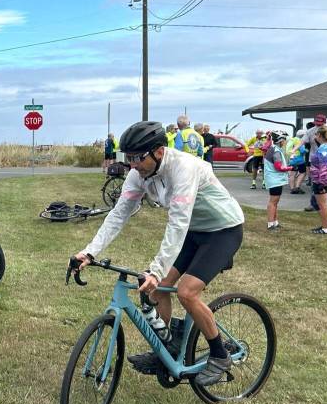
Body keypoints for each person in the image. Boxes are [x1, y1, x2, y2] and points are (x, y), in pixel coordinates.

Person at [71, 121, 245, 387]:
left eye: (137, 158)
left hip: (223, 231)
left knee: (187, 292)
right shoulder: (138, 174)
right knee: (159, 289)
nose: (132, 165)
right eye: (128, 158)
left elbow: (178, 223)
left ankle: (220, 355)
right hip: (194, 231)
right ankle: (167, 350)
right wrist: (89, 252)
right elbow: (119, 214)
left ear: (159, 151)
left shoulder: (183, 168)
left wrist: (156, 269)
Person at [309, 125, 327, 234]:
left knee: (322, 205)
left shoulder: (323, 149)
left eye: (316, 134)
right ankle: (326, 225)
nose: (315, 136)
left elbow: (324, 166)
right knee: (318, 203)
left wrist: (322, 183)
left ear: (320, 135)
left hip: (321, 180)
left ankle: (325, 228)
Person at [262, 131, 291, 230]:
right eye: (284, 139)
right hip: (275, 180)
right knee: (273, 202)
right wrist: (291, 168)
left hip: (275, 179)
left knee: (275, 202)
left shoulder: (273, 149)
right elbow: (279, 167)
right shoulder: (276, 151)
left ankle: (275, 222)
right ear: (280, 140)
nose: (285, 142)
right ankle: (270, 224)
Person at [287, 129, 306, 193]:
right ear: (302, 135)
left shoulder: (292, 139)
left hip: (292, 159)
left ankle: (292, 189)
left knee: (292, 174)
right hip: (299, 160)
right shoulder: (299, 141)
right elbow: (302, 151)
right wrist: (306, 150)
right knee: (303, 172)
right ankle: (297, 187)